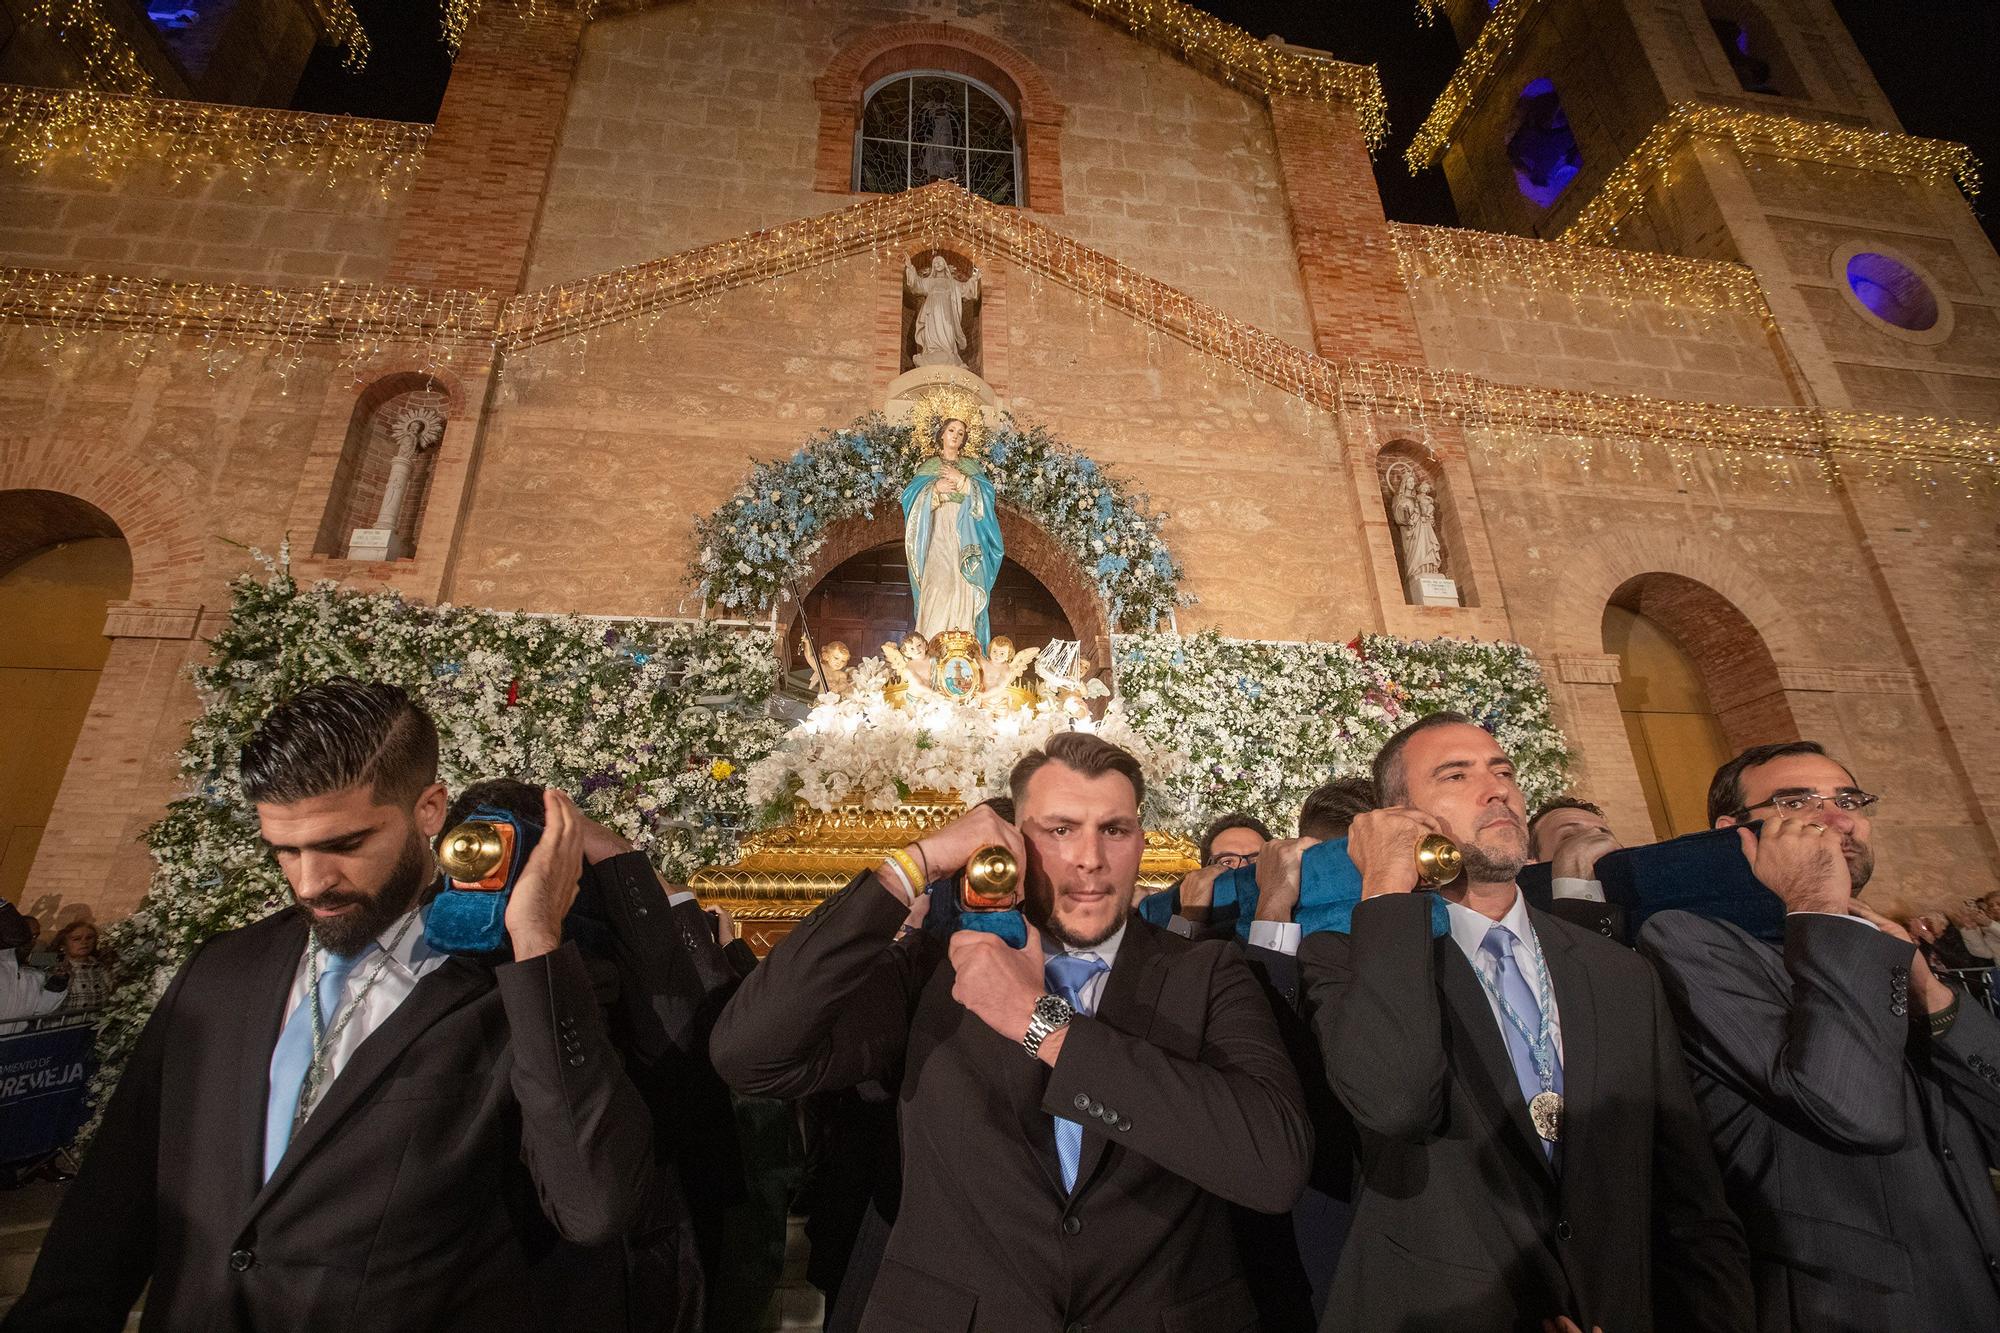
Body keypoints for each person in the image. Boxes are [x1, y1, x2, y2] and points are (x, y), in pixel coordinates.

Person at [7, 678, 663, 1332]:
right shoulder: (221, 971)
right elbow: (105, 1216)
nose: (310, 881)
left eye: (344, 844)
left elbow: (594, 1205)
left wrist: (539, 944)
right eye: (285, 850)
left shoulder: (520, 986)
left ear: (429, 809)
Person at [711, 732, 1311, 1330]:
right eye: (1060, 829)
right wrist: (912, 866)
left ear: (1140, 844)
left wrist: (1043, 1025)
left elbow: (1273, 1164)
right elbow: (751, 1052)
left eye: (1114, 829)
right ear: (1015, 846)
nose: (1089, 858)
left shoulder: (1204, 973)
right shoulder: (936, 969)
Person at [1302, 712, 1751, 1332]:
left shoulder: (1618, 972)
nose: (1498, 789)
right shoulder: (1348, 959)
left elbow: (1690, 1198)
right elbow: (1396, 1102)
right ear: (1400, 817)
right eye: (1456, 775)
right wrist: (1384, 885)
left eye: (1504, 770)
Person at [1637, 740, 2000, 1330]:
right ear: (1737, 832)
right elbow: (1851, 1108)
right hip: (1850, 1310)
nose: (1836, 818)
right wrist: (1817, 906)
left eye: (1848, 799)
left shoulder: (1892, 951)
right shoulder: (1688, 942)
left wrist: (1933, 997)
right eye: (1797, 801)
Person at [899, 416, 1001, 647]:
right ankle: (933, 646)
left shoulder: (971, 469)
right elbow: (909, 500)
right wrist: (935, 490)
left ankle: (964, 645)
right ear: (942, 435)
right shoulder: (928, 468)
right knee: (937, 586)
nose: (955, 435)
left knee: (963, 586)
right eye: (951, 430)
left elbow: (987, 497)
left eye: (961, 433)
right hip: (937, 532)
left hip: (965, 533)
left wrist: (963, 481)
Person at [0, 903, 64, 1035]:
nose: (31, 941)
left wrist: (57, 985)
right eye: (26, 934)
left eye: (35, 936)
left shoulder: (34, 973)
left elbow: (61, 959)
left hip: (14, 1043)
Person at [50, 921, 115, 1010]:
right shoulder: (54, 967)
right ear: (64, 944)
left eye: (89, 938)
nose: (84, 942)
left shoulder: (101, 967)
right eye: (76, 939)